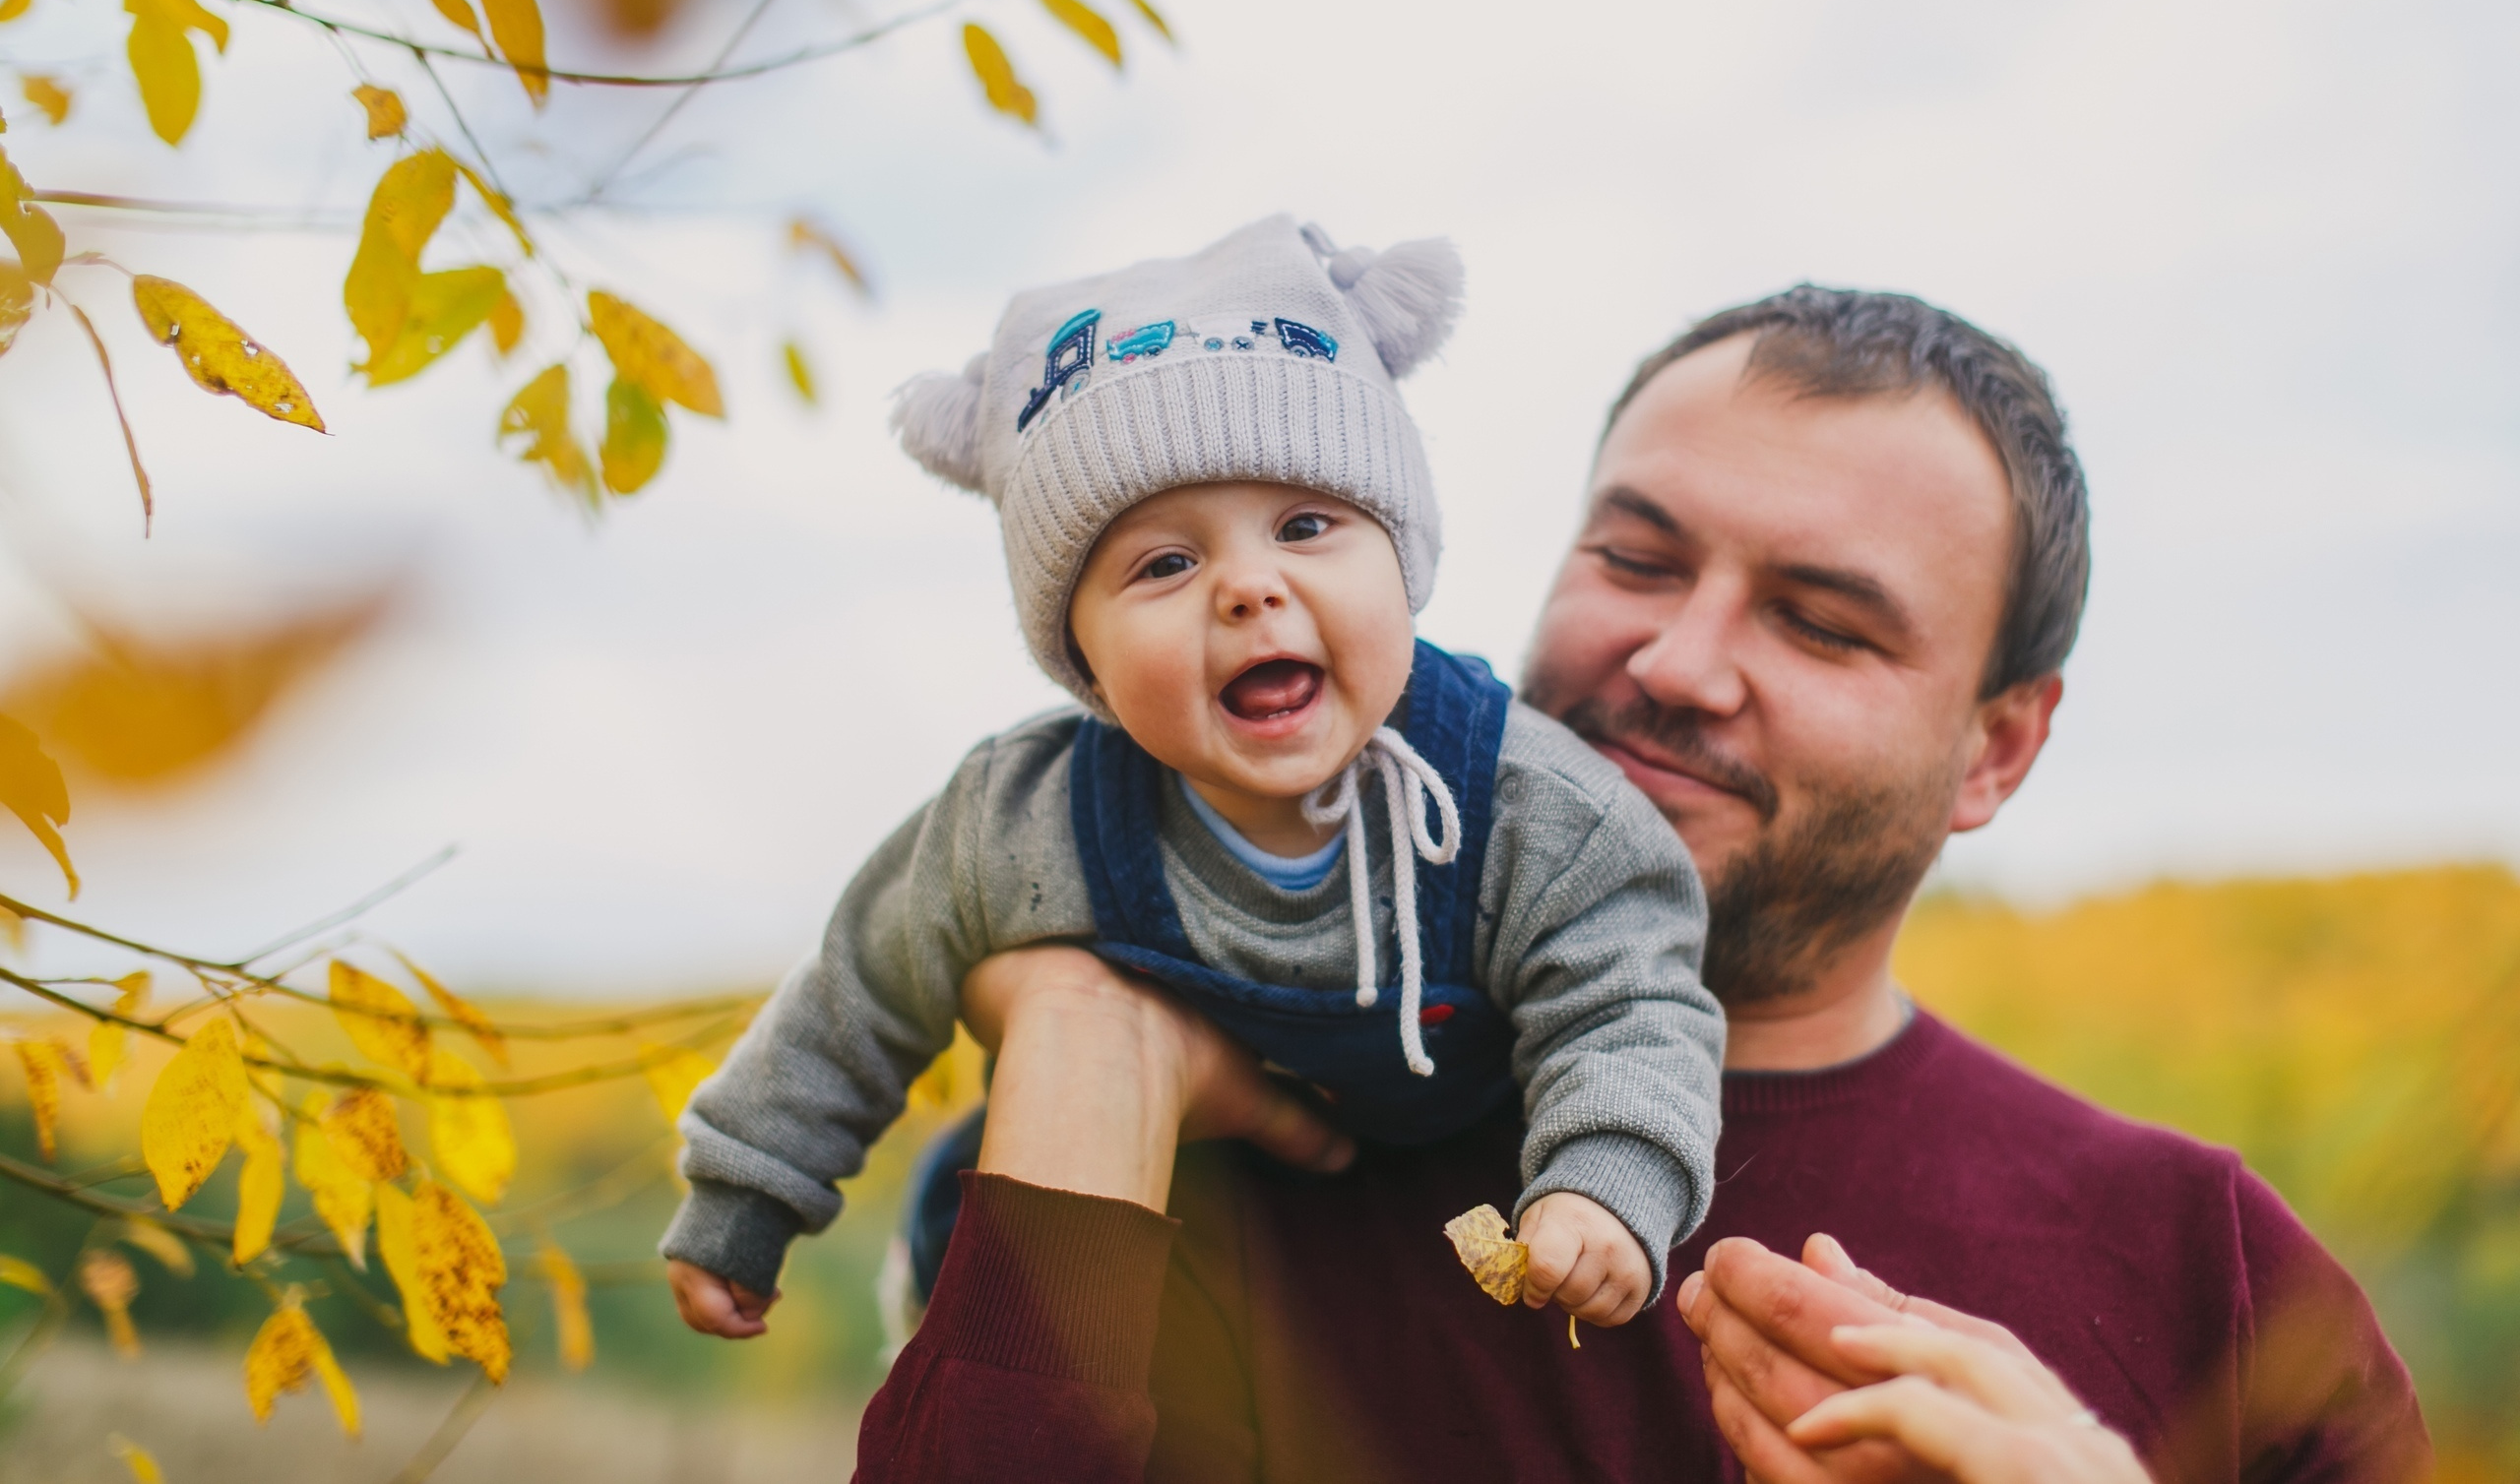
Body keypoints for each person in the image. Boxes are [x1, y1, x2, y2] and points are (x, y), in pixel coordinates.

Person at [844, 286, 2432, 1484]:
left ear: (1996, 750)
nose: (1675, 662)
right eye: (1638, 558)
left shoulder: (2203, 1267)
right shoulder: (1230, 1151)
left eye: (1820, 621)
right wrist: (1079, 1041)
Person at [658, 216, 1728, 1346]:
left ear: (1401, 560)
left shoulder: (1523, 810)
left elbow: (1630, 999)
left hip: (1375, 1254)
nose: (1247, 589)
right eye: (1165, 564)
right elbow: (858, 994)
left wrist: (1606, 1180)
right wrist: (746, 1191)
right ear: (1085, 660)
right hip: (1104, 1248)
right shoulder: (1023, 821)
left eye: (1307, 525)